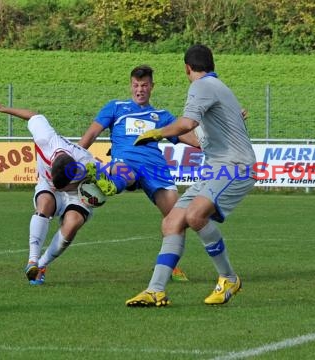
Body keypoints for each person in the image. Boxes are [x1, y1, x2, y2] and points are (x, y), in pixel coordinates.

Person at [125, 44, 257, 307]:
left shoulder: (201, 86)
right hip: (215, 166)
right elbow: (200, 135)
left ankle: (229, 278)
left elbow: (187, 123)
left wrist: (157, 132)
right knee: (172, 221)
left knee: (196, 215)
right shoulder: (219, 88)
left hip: (234, 165)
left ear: (187, 68)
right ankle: (155, 290)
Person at [78, 64, 199, 282]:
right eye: (136, 85)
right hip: (126, 162)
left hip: (156, 169)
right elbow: (92, 133)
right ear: (130, 86)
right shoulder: (116, 107)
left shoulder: (162, 116)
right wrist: (75, 156)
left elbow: (193, 140)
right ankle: (112, 183)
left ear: (152, 86)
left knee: (177, 218)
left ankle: (171, 266)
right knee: (127, 172)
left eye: (144, 85)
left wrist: (228, 125)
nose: (139, 89)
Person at [0, 97, 116, 285]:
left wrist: (105, 188)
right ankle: (32, 260)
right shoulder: (45, 138)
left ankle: (40, 265)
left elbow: (108, 185)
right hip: (47, 185)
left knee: (72, 224)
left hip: (76, 194)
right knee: (45, 203)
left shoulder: (86, 163)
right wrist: (3, 108)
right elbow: (34, 115)